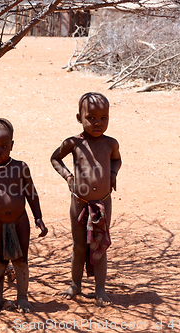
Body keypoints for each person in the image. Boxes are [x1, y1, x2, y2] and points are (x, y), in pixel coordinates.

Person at [50, 92, 122, 306]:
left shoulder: (111, 144)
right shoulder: (73, 143)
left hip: (103, 202)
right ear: (79, 118)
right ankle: (75, 284)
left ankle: (100, 289)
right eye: (91, 117)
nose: (97, 123)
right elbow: (55, 158)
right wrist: (68, 176)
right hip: (79, 202)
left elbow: (117, 161)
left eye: (103, 118)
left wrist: (113, 174)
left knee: (99, 245)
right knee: (79, 245)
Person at [0, 118, 48, 314]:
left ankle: (22, 298)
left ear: (12, 145)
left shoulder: (20, 168)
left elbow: (31, 194)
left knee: (21, 260)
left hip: (20, 222)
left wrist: (38, 217)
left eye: (4, 146)